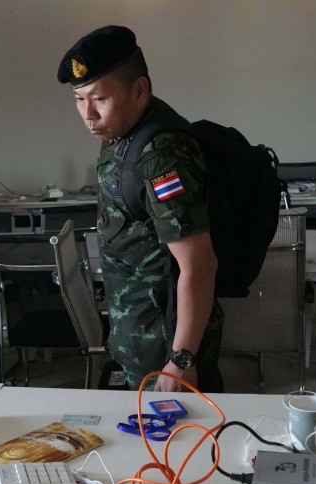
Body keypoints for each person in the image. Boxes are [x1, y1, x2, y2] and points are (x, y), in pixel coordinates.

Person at [57, 25, 223, 393]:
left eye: (99, 99)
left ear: (139, 90)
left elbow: (199, 263)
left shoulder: (160, 155)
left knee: (181, 448)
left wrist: (181, 360)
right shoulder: (123, 135)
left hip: (166, 355)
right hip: (140, 342)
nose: (88, 114)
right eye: (79, 99)